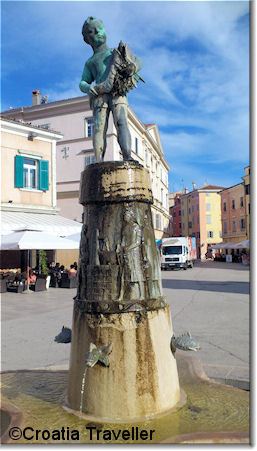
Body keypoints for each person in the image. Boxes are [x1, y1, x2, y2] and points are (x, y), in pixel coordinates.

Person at [79, 16, 142, 162]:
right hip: (100, 95)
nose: (98, 32)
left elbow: (139, 62)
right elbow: (83, 82)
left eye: (99, 29)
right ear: (87, 39)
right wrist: (88, 88)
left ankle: (127, 156)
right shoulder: (90, 62)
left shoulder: (116, 52)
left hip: (117, 92)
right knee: (99, 129)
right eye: (92, 31)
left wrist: (132, 68)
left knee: (121, 122)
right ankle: (98, 160)